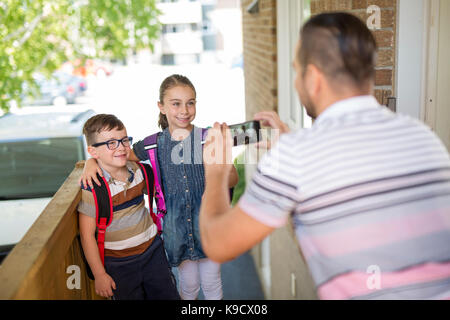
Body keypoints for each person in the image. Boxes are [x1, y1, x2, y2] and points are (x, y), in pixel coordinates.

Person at [199, 12, 450, 300]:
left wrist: (216, 172)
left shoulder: (297, 155)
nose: (295, 83)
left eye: (297, 71)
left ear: (314, 78)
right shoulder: (424, 136)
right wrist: (293, 145)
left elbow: (218, 243)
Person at [80, 75, 238, 300]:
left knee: (213, 284)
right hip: (177, 232)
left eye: (190, 102)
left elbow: (232, 180)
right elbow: (119, 155)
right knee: (188, 285)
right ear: (161, 107)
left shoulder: (207, 139)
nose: (184, 110)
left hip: (209, 226)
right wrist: (91, 162)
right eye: (176, 103)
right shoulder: (152, 143)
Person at [78, 114, 180, 300]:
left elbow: (164, 164)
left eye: (124, 140)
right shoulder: (94, 189)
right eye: (111, 143)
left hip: (153, 253)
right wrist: (100, 274)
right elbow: (86, 236)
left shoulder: (139, 171)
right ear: (93, 151)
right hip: (118, 264)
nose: (121, 148)